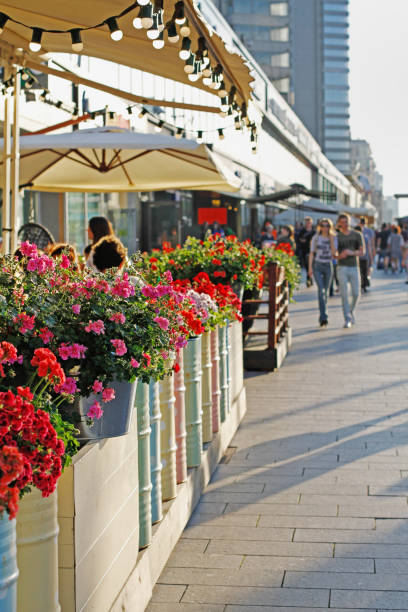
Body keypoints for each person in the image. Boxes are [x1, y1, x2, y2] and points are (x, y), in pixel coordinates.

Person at [336, 213, 364, 328]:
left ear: (349, 222)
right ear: (339, 223)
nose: (344, 224)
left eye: (346, 221)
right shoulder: (337, 236)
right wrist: (339, 256)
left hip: (354, 266)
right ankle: (347, 318)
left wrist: (351, 253)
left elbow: (362, 252)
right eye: (342, 222)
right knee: (344, 295)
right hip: (341, 267)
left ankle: (350, 311)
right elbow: (333, 253)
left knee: (356, 293)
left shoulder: (357, 235)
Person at [308, 218, 337, 327]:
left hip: (328, 265)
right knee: (321, 290)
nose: (325, 228)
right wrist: (310, 268)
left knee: (326, 292)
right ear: (320, 226)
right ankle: (323, 316)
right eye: (323, 225)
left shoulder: (333, 237)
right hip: (318, 265)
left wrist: (331, 241)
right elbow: (311, 253)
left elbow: (334, 253)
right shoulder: (316, 238)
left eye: (327, 226)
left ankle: (323, 314)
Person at [297, 217, 315, 287]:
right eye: (306, 223)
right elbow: (298, 239)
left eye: (309, 223)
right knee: (307, 266)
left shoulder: (314, 232)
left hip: (312, 251)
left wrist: (307, 241)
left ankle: (310, 278)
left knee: (311, 265)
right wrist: (301, 241)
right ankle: (309, 279)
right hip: (304, 250)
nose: (308, 224)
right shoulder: (302, 231)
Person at [356, 223, 373, 293]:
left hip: (357, 258)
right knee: (364, 272)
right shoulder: (365, 238)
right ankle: (364, 286)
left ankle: (361, 285)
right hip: (365, 257)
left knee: (359, 272)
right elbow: (369, 248)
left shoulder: (355, 238)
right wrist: (371, 257)